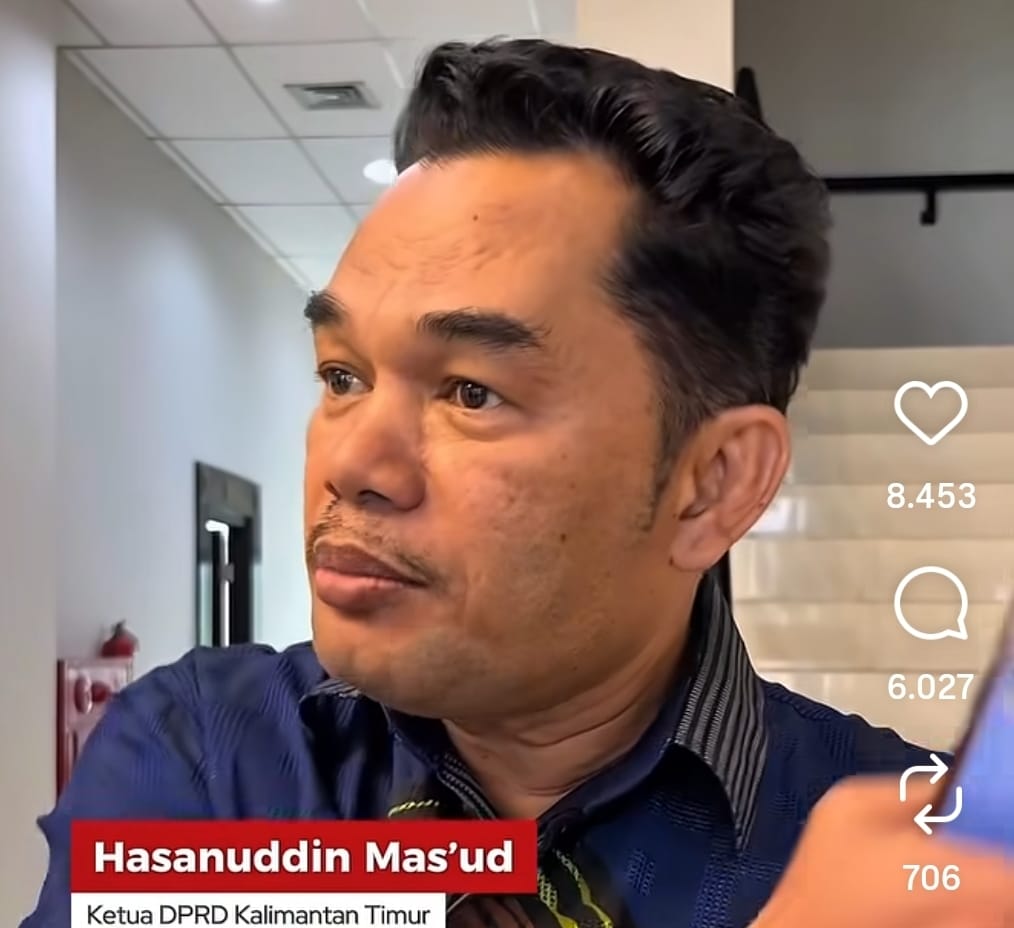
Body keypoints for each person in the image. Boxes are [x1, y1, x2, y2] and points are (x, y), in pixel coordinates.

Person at [22, 38, 1014, 928]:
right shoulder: (206, 764)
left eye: (471, 392)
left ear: (713, 484)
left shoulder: (930, 867)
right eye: (342, 376)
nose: (352, 465)